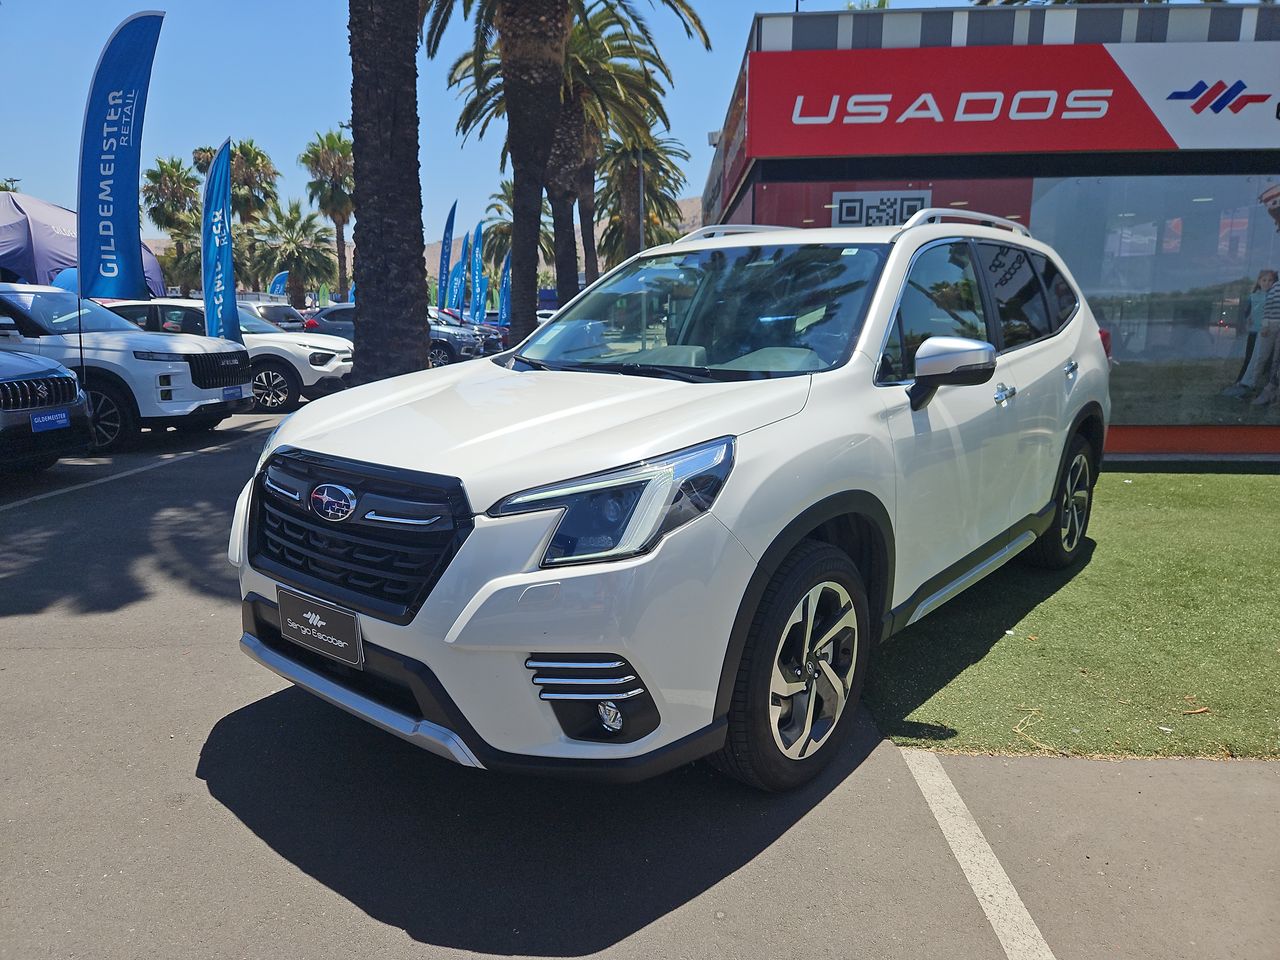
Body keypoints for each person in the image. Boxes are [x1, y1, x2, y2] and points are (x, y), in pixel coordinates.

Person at [1223, 270, 1277, 397]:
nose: (1267, 283)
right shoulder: (1254, 296)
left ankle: (1259, 384)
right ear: (1259, 282)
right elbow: (1246, 312)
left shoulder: (1274, 297)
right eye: (1264, 280)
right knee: (1250, 356)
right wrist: (1247, 320)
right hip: (1255, 331)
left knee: (1264, 359)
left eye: (1271, 281)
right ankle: (1241, 382)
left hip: (1268, 332)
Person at [1249, 273, 1280, 406]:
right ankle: (1253, 385)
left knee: (1276, 359)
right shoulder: (1275, 287)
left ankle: (1271, 389)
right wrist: (1265, 324)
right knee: (1263, 356)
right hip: (1271, 324)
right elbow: (1267, 306)